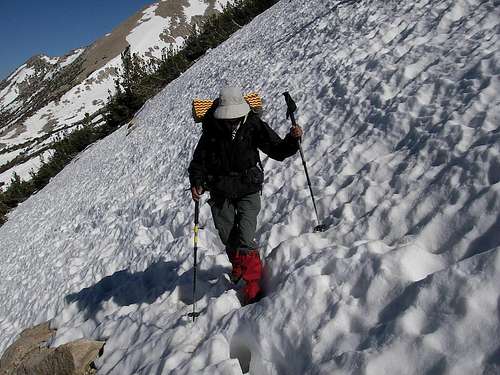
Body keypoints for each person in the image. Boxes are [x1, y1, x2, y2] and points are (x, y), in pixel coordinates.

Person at [188, 86, 303, 304]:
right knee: (227, 235)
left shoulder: (252, 124)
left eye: (235, 117)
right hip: (220, 188)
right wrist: (197, 182)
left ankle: (253, 285)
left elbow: (276, 149)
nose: (231, 121)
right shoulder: (212, 128)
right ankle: (239, 267)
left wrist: (292, 140)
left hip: (248, 186)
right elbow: (198, 163)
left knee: (245, 236)